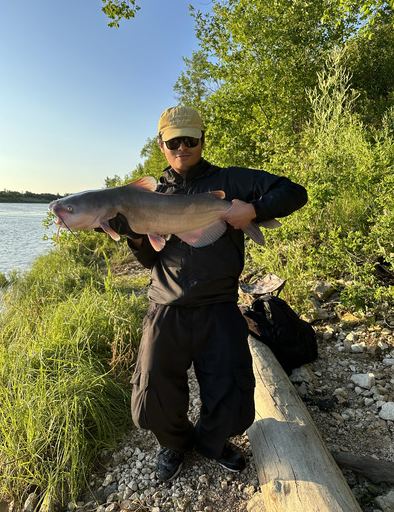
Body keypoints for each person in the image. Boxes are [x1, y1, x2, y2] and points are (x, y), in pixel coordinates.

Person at [108, 105, 308, 482]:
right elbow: (151, 261)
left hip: (219, 305)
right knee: (152, 394)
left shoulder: (231, 181)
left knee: (231, 390)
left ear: (202, 139)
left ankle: (214, 443)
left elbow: (294, 192)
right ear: (161, 143)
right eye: (173, 141)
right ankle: (176, 443)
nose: (182, 147)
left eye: (190, 139)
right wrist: (134, 234)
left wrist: (253, 208)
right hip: (166, 306)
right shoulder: (147, 195)